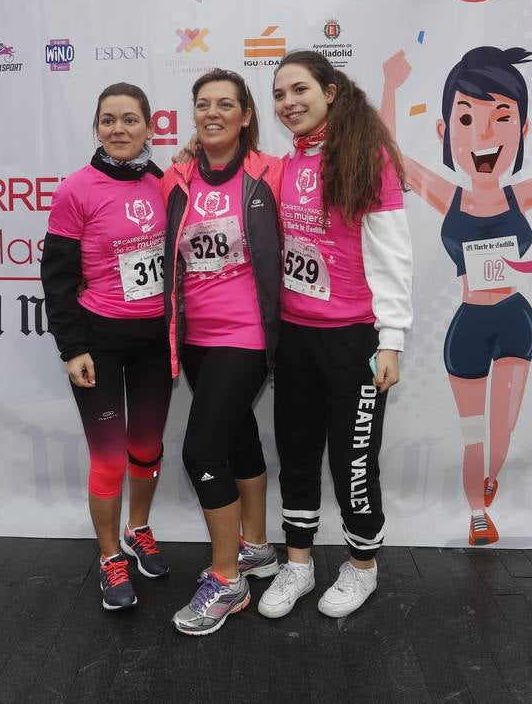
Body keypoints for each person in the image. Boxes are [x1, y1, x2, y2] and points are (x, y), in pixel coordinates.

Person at [380, 46, 532, 547]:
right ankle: (478, 511)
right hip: (469, 327)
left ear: (521, 130)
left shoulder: (519, 196)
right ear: (445, 132)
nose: (484, 134)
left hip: (515, 319)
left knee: (502, 436)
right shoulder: (447, 195)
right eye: (466, 117)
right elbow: (388, 150)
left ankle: (492, 481)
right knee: (473, 434)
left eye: (502, 118)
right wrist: (391, 87)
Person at [257, 51, 413, 619]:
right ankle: (297, 564)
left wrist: (391, 337)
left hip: (354, 341)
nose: (288, 102)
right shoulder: (283, 166)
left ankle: (362, 566)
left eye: (299, 89)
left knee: (353, 461)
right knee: (296, 454)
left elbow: (394, 254)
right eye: (278, 95)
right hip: (295, 338)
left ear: (331, 91)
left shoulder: (366, 157)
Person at [41, 83, 174, 612]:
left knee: (146, 449)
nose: (118, 129)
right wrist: (72, 348)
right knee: (109, 457)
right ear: (96, 127)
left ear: (149, 126)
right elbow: (57, 276)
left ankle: (139, 530)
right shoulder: (77, 189)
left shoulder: (165, 184)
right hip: (99, 341)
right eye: (108, 120)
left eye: (130, 120)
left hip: (154, 342)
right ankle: (108, 556)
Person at [162, 68, 282, 636]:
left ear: (246, 115)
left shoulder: (270, 175)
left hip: (248, 335)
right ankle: (256, 547)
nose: (212, 112)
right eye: (203, 104)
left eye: (225, 104)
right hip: (195, 338)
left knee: (201, 453)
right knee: (237, 440)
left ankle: (227, 579)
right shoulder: (178, 178)